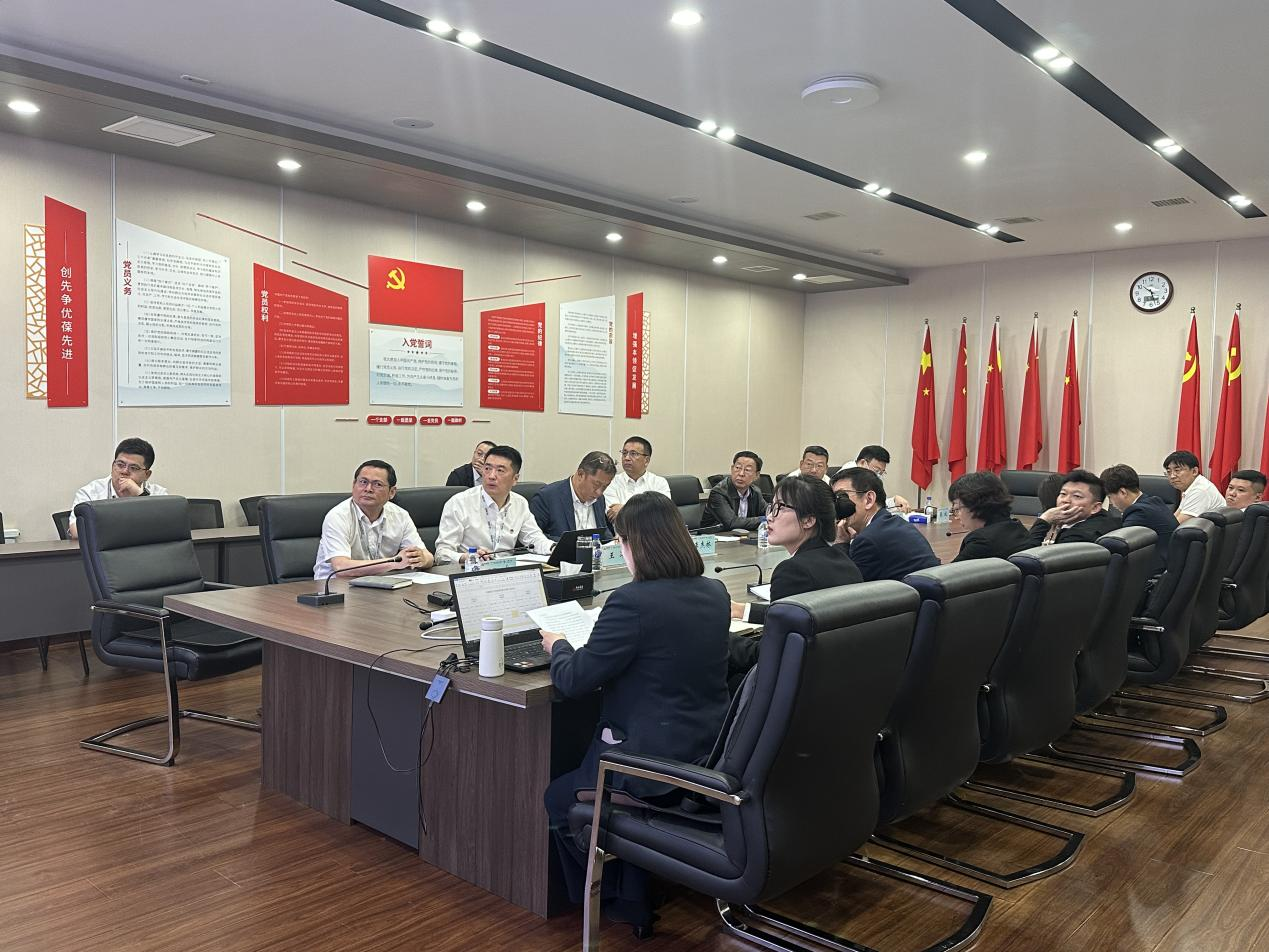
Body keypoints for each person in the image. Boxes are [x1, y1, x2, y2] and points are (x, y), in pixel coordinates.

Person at [540, 492, 730, 933]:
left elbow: (573, 680)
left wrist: (559, 645)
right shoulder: (715, 592)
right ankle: (634, 887)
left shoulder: (632, 601)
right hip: (707, 751)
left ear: (633, 544)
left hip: (647, 762)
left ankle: (609, 897)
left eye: (620, 541)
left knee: (558, 798)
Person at [727, 476, 861, 687]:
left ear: (808, 520)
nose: (769, 516)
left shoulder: (793, 572)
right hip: (835, 683)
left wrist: (716, 635)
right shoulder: (843, 561)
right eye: (771, 507)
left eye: (780, 508)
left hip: (795, 687)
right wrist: (742, 610)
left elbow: (768, 655)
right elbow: (803, 616)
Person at [313, 460, 433, 580]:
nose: (368, 489)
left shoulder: (400, 516)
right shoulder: (338, 516)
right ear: (353, 485)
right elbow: (341, 567)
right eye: (363, 482)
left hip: (380, 583)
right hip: (334, 586)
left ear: (392, 492)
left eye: (377, 484)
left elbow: (428, 557)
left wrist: (422, 559)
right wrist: (394, 563)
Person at [434, 445, 554, 563]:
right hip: (471, 570)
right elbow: (442, 553)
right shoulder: (459, 503)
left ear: (515, 479)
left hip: (507, 571)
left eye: (500, 471)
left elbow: (535, 539)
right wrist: (467, 557)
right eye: (487, 469)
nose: (491, 476)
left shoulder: (520, 503)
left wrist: (554, 548)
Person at [831, 466, 937, 581]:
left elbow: (846, 585)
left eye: (841, 497)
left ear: (869, 499)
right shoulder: (895, 523)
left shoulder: (867, 541)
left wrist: (841, 544)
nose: (837, 505)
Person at [68, 437, 169, 540]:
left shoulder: (159, 494)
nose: (124, 471)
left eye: (134, 468)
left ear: (147, 475)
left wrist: (140, 495)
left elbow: (167, 529)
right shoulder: (90, 492)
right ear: (113, 466)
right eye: (120, 465)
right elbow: (76, 531)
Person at [1102, 464, 1178, 573]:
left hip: (1156, 573)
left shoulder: (1138, 513)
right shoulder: (1154, 500)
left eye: (1110, 497)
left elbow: (1119, 547)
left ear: (1123, 492)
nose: (1111, 503)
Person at [530, 451, 617, 542]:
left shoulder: (599, 499)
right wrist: (571, 544)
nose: (599, 492)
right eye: (596, 484)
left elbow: (604, 534)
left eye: (605, 486)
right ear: (581, 474)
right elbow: (533, 537)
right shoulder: (547, 497)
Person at [948, 471, 1032, 561]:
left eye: (957, 509)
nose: (956, 517)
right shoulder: (1018, 528)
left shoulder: (980, 542)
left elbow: (950, 570)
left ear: (974, 506)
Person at [1026, 468, 1122, 546]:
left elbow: (1027, 558)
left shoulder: (1076, 537)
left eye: (1077, 496)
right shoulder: (1108, 518)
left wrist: (1044, 519)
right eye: (1063, 494)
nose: (1065, 500)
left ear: (1095, 507)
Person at [604, 436, 670, 521]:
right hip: (623, 530)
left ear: (646, 460)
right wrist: (648, 511)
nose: (627, 458)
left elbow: (664, 513)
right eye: (624, 453)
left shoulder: (659, 482)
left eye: (633, 454)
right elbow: (613, 515)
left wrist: (623, 509)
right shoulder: (611, 482)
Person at [704, 450, 766, 531]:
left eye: (747, 470)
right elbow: (732, 523)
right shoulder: (719, 492)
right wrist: (764, 519)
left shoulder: (755, 492)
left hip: (743, 536)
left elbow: (767, 511)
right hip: (715, 536)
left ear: (757, 475)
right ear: (732, 469)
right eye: (738, 468)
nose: (741, 474)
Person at [1164, 451, 1225, 522]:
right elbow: (1174, 518)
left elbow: (1177, 524)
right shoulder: (1190, 487)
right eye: (1169, 472)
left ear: (1194, 471)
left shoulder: (1200, 490)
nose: (1172, 476)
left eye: (1177, 470)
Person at [854, 445, 912, 512]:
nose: (878, 475)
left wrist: (894, 501)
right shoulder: (848, 479)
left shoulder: (866, 476)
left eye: (881, 472)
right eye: (877, 470)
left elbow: (876, 503)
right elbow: (863, 507)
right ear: (862, 463)